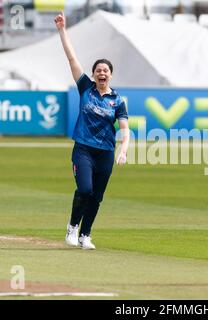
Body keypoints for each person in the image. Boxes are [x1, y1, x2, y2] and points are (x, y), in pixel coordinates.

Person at [55, 12, 130, 250]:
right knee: (85, 189)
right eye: (98, 69)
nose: (101, 73)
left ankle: (86, 235)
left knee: (96, 197)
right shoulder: (85, 88)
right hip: (84, 149)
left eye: (105, 70)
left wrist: (123, 150)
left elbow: (125, 129)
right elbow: (71, 58)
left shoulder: (118, 100)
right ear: (94, 73)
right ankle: (72, 227)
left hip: (105, 152)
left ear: (110, 74)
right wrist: (62, 30)